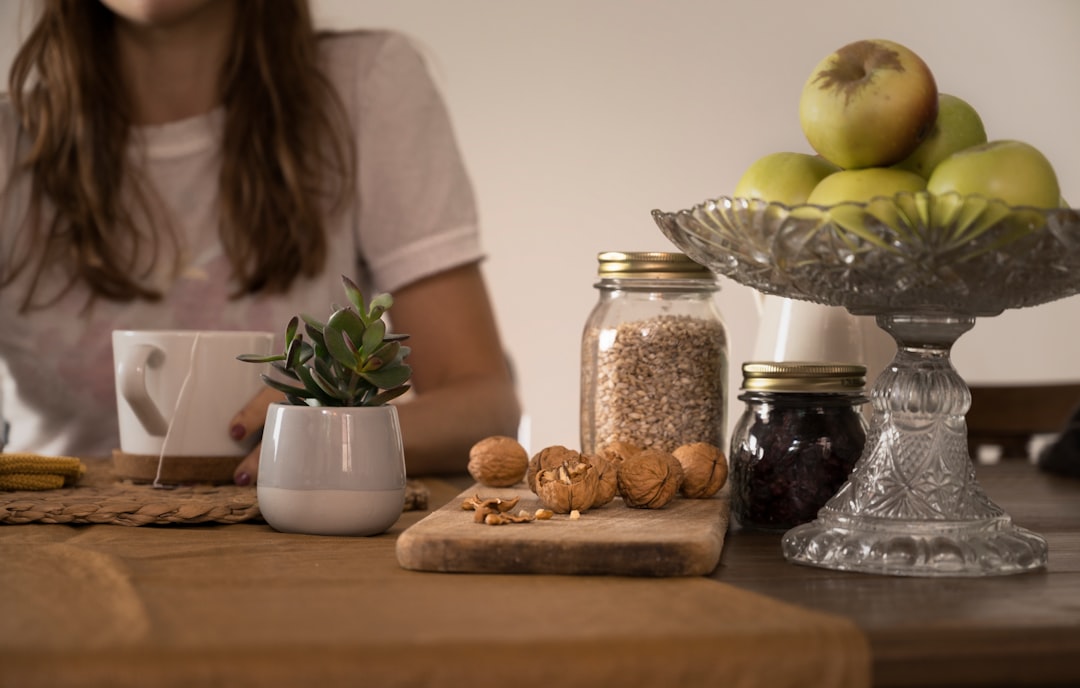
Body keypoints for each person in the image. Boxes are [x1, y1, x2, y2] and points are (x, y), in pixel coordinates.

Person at [0, 0, 521, 484]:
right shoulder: (9, 140)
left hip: (301, 556)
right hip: (50, 556)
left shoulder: (366, 84)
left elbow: (481, 402)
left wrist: (330, 437)